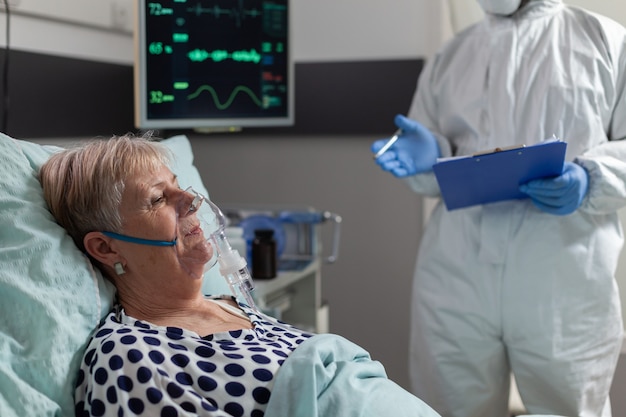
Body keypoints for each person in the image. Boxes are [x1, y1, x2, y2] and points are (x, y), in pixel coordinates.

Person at [38, 134, 443, 417]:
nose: (192, 200)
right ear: (107, 247)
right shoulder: (129, 357)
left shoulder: (232, 306)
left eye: (180, 186)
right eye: (159, 198)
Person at [371, 0, 626, 416]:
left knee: (566, 407)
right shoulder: (453, 55)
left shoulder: (605, 41)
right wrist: (430, 156)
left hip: (562, 278)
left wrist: (591, 178)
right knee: (448, 405)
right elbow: (435, 161)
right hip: (456, 274)